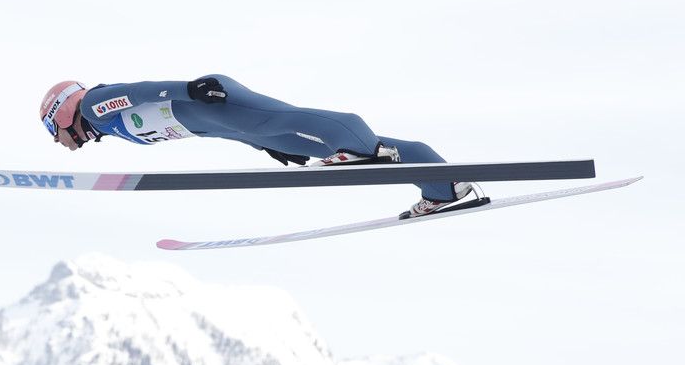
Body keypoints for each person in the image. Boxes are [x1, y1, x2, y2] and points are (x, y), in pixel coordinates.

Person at [38, 75, 482, 217]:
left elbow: (141, 92)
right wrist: (262, 146)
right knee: (282, 132)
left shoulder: (95, 106)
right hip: (221, 122)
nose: (60, 142)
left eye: (53, 131)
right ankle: (445, 187)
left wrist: (190, 88)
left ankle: (356, 143)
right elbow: (207, 130)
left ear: (62, 112)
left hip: (209, 98)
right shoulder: (109, 127)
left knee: (287, 121)